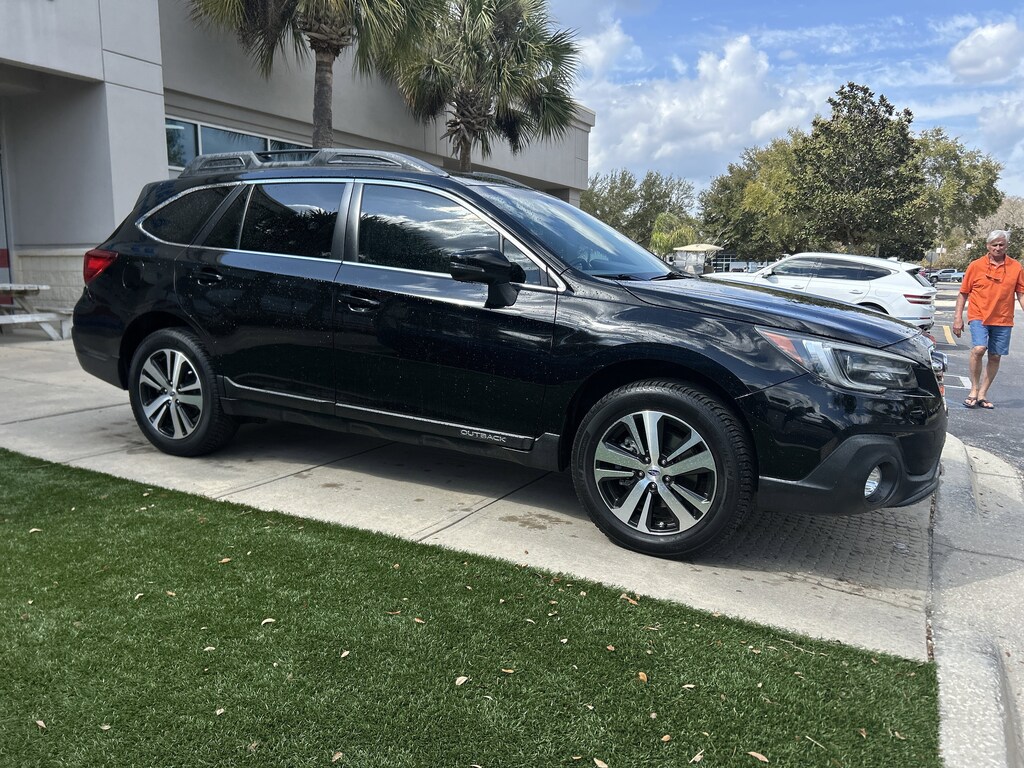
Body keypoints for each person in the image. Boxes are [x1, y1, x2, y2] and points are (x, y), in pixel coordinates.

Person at [952, 230, 1024, 409]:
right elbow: (963, 294)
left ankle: (983, 393)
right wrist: (957, 319)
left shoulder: (1016, 267)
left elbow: (1021, 293)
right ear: (988, 246)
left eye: (1001, 245)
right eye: (994, 245)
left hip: (1003, 319)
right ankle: (973, 390)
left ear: (1006, 246)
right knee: (978, 349)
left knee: (995, 356)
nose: (998, 248)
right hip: (979, 316)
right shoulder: (976, 266)